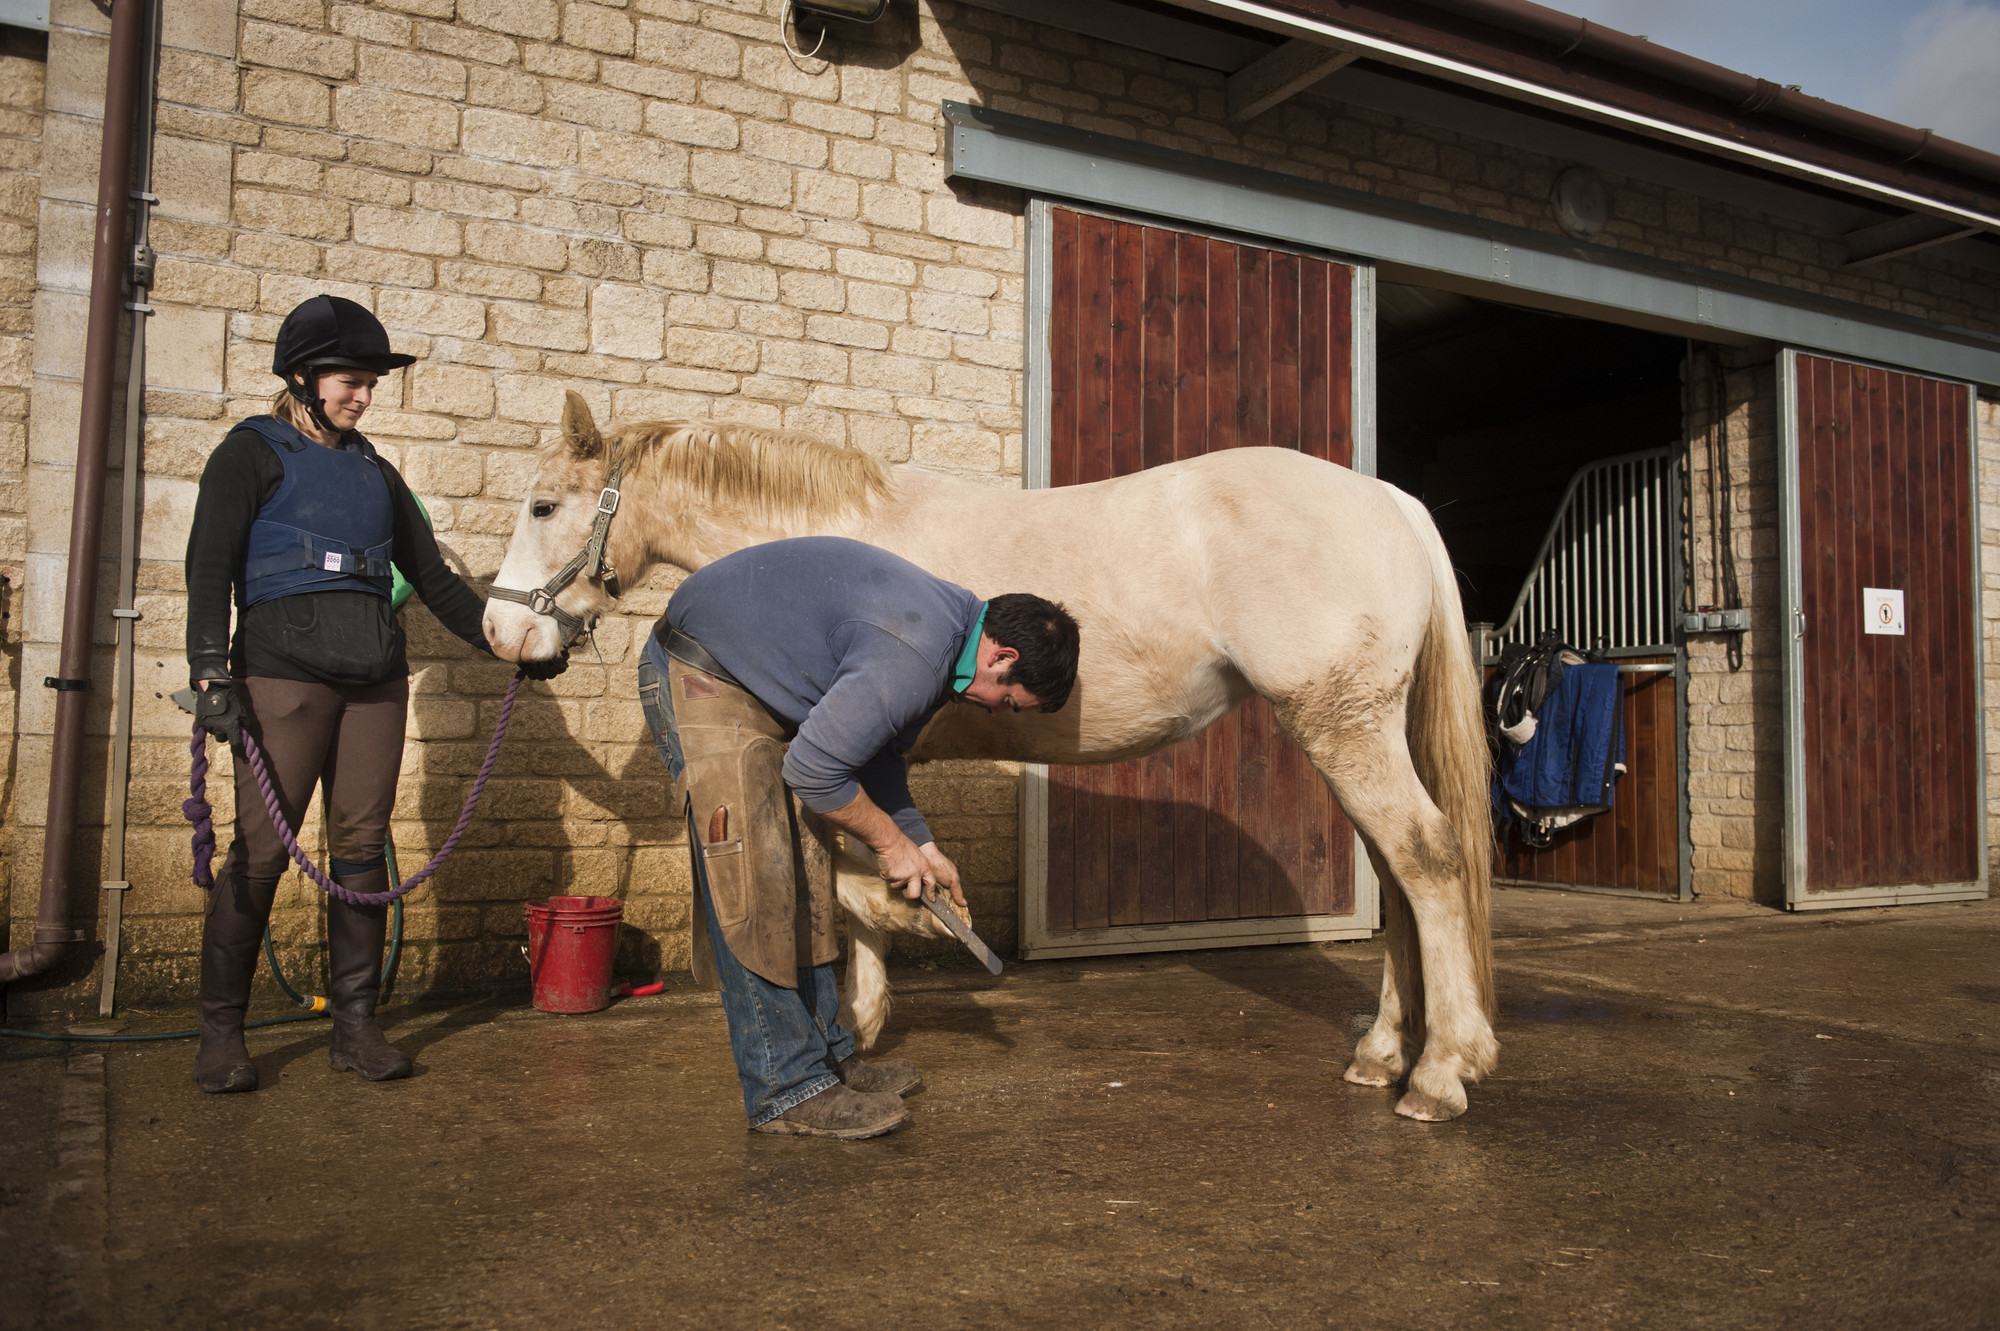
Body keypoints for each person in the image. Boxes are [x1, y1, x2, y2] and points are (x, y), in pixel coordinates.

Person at [185, 295, 566, 1094]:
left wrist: (514, 643)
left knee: (361, 851)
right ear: (302, 375)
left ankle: (356, 1025)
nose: (362, 394)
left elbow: (438, 584)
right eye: (349, 379)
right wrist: (209, 670)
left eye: (369, 382)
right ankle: (221, 1032)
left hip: (373, 684)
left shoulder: (376, 474)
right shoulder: (248, 454)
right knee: (261, 853)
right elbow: (208, 566)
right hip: (282, 675)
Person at [638, 536, 1080, 1140]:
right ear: (1001, 655)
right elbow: (815, 770)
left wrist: (919, 844)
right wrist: (889, 846)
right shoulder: (915, 651)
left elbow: (876, 753)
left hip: (751, 685)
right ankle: (784, 1089)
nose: (1002, 711)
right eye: (1010, 699)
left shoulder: (949, 641)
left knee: (810, 877)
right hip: (701, 675)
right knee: (754, 880)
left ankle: (826, 1061)